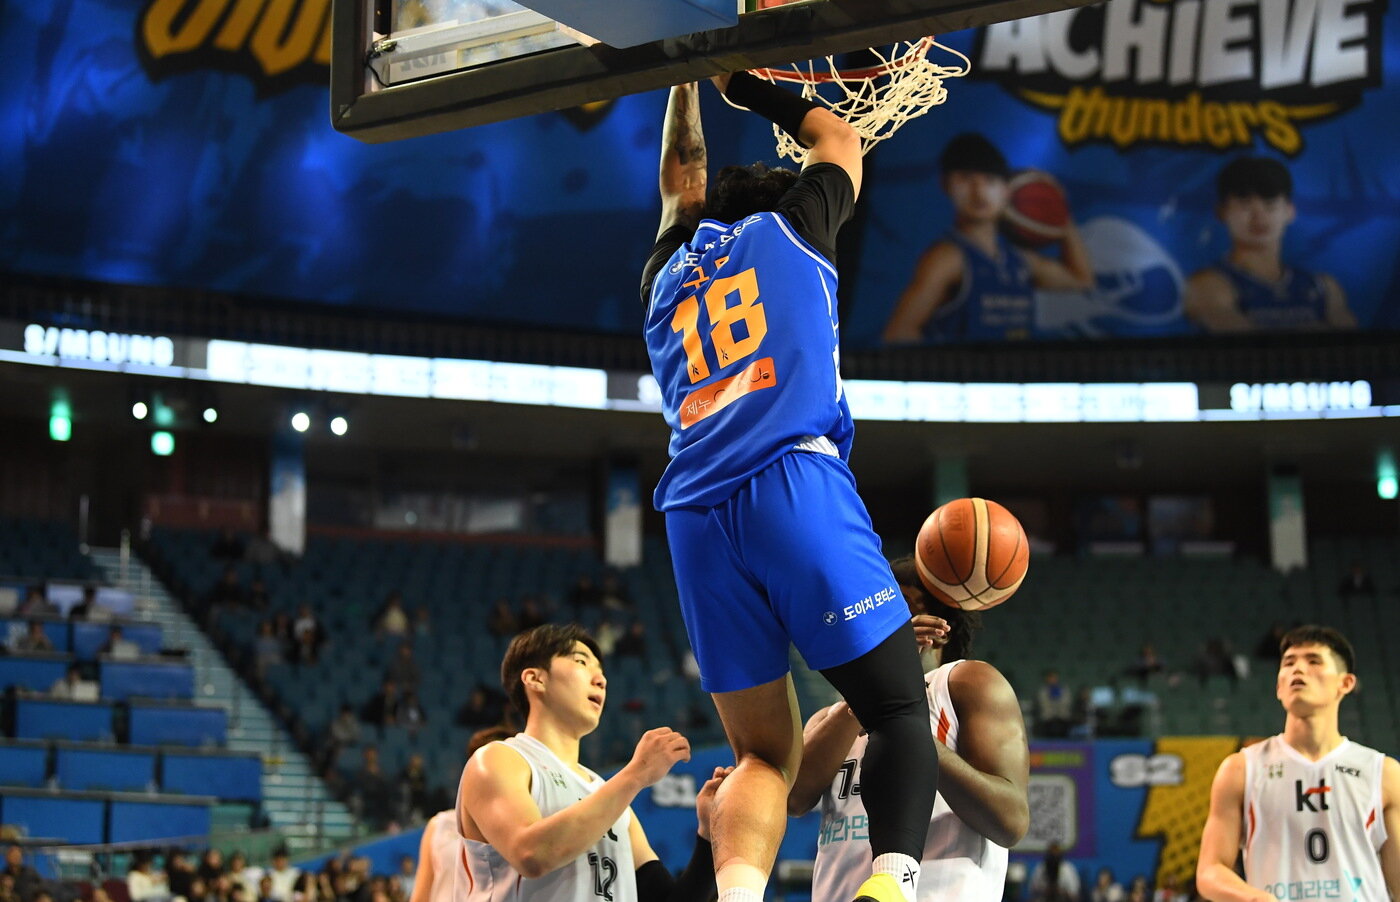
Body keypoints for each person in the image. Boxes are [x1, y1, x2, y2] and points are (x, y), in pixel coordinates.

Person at [641, 74, 937, 902]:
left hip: (694, 515)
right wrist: (740, 81)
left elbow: (678, 179)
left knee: (762, 756)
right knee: (898, 712)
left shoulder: (665, 280)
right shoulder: (792, 229)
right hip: (791, 481)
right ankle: (892, 882)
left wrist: (678, 82)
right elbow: (835, 140)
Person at [790, 556, 1029, 902]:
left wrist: (906, 733)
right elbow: (793, 797)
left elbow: (1010, 820)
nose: (879, 624)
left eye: (896, 611)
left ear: (938, 625)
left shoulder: (965, 682)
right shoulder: (832, 716)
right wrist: (867, 697)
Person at [454, 624, 723, 902]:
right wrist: (636, 774)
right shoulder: (499, 759)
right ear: (535, 679)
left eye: (602, 672)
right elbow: (531, 854)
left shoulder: (612, 801)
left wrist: (710, 834)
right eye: (581, 661)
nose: (601, 680)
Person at [1196, 625, 1400, 902]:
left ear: (1346, 683)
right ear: (1279, 687)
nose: (1297, 669)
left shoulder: (1383, 773)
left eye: (1313, 660)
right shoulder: (1241, 770)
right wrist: (1255, 899)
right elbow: (1210, 870)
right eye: (1289, 662)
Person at [882, 132, 1092, 343]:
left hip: (1014, 375)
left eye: (990, 180)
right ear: (946, 185)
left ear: (1006, 191)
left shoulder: (1019, 260)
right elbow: (898, 333)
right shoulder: (947, 259)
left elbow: (1082, 281)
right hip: (966, 375)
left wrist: (1060, 213)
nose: (979, 191)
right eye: (966, 179)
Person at [1185, 157, 1355, 333]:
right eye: (1245, 204)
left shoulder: (1323, 287)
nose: (1259, 216)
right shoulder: (1206, 285)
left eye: (1270, 204)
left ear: (1290, 212)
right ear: (1221, 212)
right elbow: (1251, 348)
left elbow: (1352, 346)